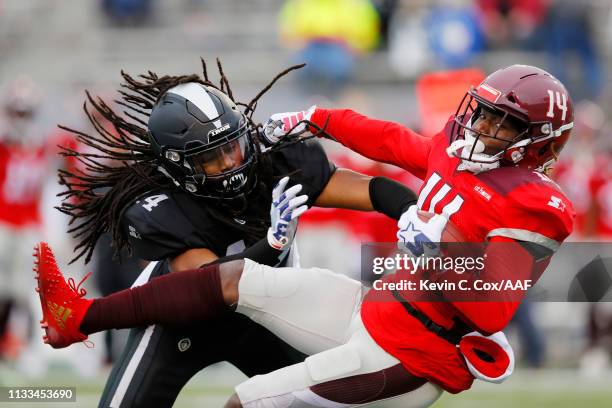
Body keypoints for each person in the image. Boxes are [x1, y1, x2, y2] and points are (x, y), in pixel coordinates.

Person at [35, 64, 576, 407]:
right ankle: (77, 318)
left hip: (409, 351)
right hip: (365, 311)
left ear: (538, 142)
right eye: (480, 113)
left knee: (248, 402)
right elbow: (391, 140)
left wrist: (436, 249)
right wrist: (317, 116)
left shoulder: (537, 205)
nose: (478, 128)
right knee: (236, 278)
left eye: (499, 123)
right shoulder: (155, 204)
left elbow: (488, 309)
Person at [49, 61, 418, 407]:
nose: (230, 162)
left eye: (233, 146)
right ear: (179, 166)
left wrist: (411, 210)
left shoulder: (273, 160)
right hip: (180, 323)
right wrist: (271, 245)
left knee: (330, 397)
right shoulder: (161, 206)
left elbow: (366, 189)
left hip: (264, 316)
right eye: (212, 157)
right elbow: (212, 286)